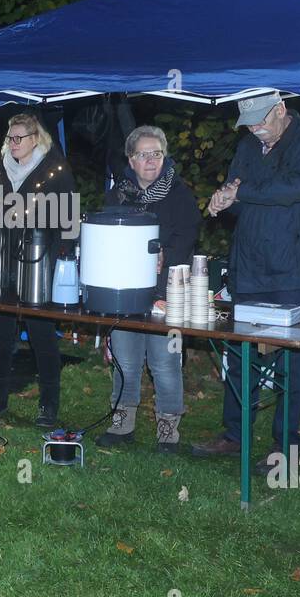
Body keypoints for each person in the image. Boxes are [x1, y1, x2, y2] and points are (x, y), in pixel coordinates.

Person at [192, 92, 300, 470]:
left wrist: (242, 192)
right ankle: (235, 435)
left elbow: (299, 187)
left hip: (294, 268)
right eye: (249, 125)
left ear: (281, 110)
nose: (255, 131)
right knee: (240, 355)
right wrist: (223, 200)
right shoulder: (249, 144)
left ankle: (285, 445)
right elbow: (238, 189)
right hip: (249, 265)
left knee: (289, 359)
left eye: (260, 123)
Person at [98, 125, 200, 453]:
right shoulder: (117, 195)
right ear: (131, 159)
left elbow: (188, 236)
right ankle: (122, 422)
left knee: (164, 360)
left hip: (166, 289)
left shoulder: (180, 194)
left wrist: (163, 253)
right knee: (126, 358)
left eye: (157, 153)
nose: (152, 160)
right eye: (144, 154)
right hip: (124, 290)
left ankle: (168, 429)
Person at [0, 113, 77, 428]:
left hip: (41, 260)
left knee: (42, 334)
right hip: (4, 261)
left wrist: (64, 258)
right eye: (10, 137)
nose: (13, 143)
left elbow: (70, 219)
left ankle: (48, 405)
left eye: (19, 138)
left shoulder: (55, 170)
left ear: (35, 139)